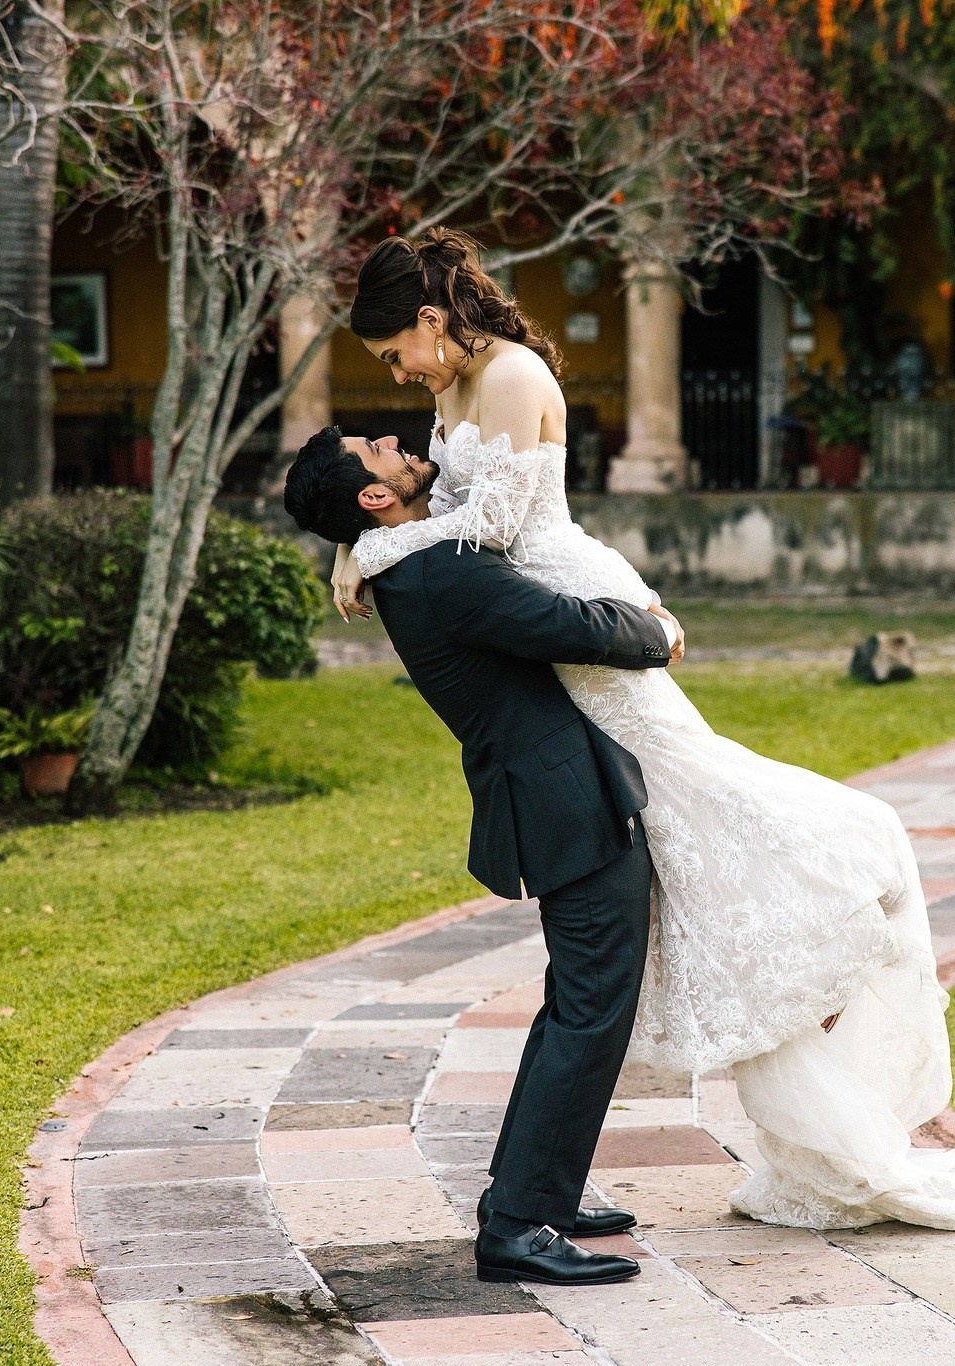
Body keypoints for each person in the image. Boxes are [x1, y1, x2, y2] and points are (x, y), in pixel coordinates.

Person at [316, 228, 955, 1233]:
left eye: (398, 351)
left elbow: (501, 535)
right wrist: (371, 539)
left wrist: (375, 543)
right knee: (676, 851)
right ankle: (552, 1192)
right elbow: (464, 539)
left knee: (705, 798)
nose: (398, 375)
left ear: (432, 318)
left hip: (571, 601)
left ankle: (835, 888)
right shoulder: (446, 398)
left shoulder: (516, 374)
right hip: (543, 629)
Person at [284, 430, 685, 1286]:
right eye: (374, 449)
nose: (392, 440)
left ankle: (536, 1187)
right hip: (564, 803)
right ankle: (519, 1227)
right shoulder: (437, 574)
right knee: (590, 1007)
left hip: (553, 792)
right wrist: (653, 628)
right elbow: (566, 625)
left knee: (574, 1002)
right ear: (373, 497)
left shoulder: (409, 560)